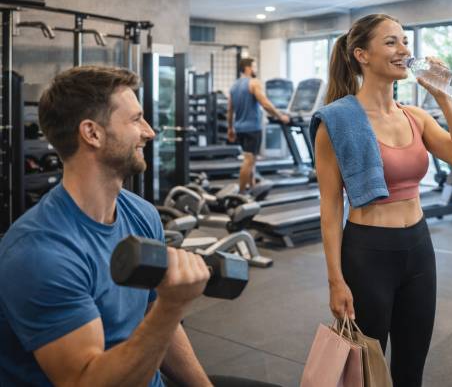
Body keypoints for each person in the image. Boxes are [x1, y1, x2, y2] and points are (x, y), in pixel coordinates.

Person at [0, 66, 278, 387]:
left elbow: (152, 318)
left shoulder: (141, 214)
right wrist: (172, 305)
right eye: (135, 119)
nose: (150, 132)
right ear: (92, 133)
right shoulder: (39, 254)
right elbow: (86, 381)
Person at [312, 14, 452, 387]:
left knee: (411, 370)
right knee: (367, 373)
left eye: (405, 41)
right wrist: (335, 281)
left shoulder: (416, 116)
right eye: (391, 42)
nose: (404, 50)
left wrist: (444, 97)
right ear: (362, 55)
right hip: (368, 253)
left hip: (418, 249)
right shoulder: (336, 122)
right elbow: (330, 208)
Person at [227, 57, 290, 193]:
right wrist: (280, 116)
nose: (256, 69)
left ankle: (252, 186)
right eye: (255, 66)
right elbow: (265, 103)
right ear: (248, 68)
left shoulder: (234, 86)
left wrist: (230, 128)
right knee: (249, 160)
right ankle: (241, 193)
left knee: (251, 158)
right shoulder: (254, 83)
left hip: (240, 128)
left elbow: (230, 110)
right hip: (252, 128)